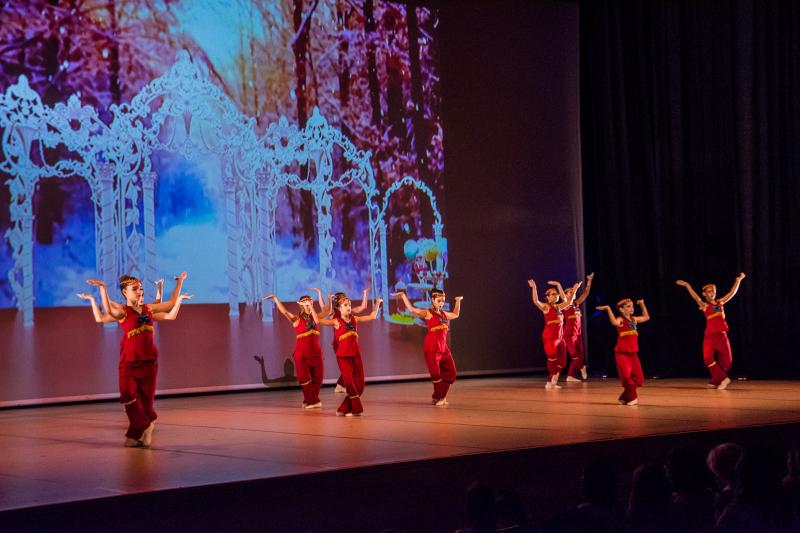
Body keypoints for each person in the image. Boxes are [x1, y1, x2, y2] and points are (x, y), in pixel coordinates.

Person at [79, 273, 189, 447]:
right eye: (135, 289)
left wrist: (180, 282)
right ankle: (146, 424)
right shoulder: (123, 312)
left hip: (149, 361)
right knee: (127, 396)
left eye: (141, 289)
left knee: (146, 401)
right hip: (129, 361)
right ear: (125, 292)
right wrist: (102, 290)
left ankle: (136, 434)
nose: (140, 292)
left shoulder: (149, 309)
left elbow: (171, 304)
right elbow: (106, 312)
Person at [392, 289, 463, 405]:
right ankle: (440, 398)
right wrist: (403, 296)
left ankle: (439, 396)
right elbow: (412, 310)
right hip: (431, 349)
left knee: (451, 373)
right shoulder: (428, 313)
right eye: (439, 301)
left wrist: (458, 301)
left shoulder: (444, 314)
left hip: (443, 349)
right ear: (433, 300)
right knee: (436, 376)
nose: (441, 303)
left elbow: (456, 314)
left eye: (443, 301)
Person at [315, 294, 382, 416]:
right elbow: (317, 320)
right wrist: (310, 306)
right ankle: (356, 409)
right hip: (343, 356)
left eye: (349, 305)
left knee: (360, 386)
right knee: (349, 383)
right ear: (339, 308)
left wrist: (377, 303)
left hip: (356, 354)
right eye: (346, 305)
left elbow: (372, 316)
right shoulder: (336, 321)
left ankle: (344, 408)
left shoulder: (355, 319)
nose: (349, 307)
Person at [675, 273, 745, 390]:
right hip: (710, 336)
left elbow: (732, 293)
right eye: (709, 291)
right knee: (708, 359)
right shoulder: (704, 305)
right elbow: (695, 297)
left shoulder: (720, 303)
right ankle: (723, 379)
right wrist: (687, 285)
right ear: (704, 294)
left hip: (722, 336)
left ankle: (715, 380)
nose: (712, 293)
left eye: (713, 291)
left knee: (727, 363)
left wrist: (739, 280)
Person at [263, 293, 325, 409]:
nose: (307, 305)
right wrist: (276, 299)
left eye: (309, 302)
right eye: (305, 303)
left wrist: (324, 296)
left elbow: (327, 311)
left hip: (316, 353)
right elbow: (285, 312)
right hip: (301, 354)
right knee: (304, 379)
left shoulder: (317, 317)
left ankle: (310, 400)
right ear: (301, 305)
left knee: (318, 379)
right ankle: (313, 401)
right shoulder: (296, 319)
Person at [314, 287, 369, 393]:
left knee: (351, 365)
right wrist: (321, 294)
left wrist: (365, 293)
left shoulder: (348, 311)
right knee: (346, 365)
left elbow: (363, 306)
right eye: (342, 299)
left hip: (350, 341)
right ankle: (342, 385)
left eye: (346, 299)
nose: (346, 301)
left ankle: (341, 384)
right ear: (338, 302)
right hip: (339, 342)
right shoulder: (333, 312)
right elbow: (323, 307)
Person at [528, 279, 581, 389]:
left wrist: (567, 287)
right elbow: (536, 301)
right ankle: (550, 382)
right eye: (553, 294)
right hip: (550, 338)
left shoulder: (559, 307)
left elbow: (568, 302)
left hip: (560, 339)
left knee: (563, 363)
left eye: (556, 294)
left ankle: (551, 381)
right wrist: (534, 288)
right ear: (547, 297)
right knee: (552, 358)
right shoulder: (546, 307)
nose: (556, 296)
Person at [596, 298, 650, 405]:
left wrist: (642, 304)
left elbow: (647, 317)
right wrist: (608, 309)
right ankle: (632, 398)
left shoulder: (634, 319)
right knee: (627, 378)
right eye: (628, 306)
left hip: (633, 354)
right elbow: (614, 322)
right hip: (622, 353)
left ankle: (624, 397)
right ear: (621, 309)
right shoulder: (620, 319)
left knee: (639, 380)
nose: (631, 309)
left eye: (632, 306)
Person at [564, 273, 594, 382]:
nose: (573, 293)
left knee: (579, 355)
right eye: (570, 292)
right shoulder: (565, 305)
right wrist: (574, 290)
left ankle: (570, 376)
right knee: (574, 355)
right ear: (565, 295)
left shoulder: (576, 304)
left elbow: (586, 293)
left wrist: (589, 281)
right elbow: (569, 301)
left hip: (578, 334)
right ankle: (582, 367)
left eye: (573, 292)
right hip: (569, 334)